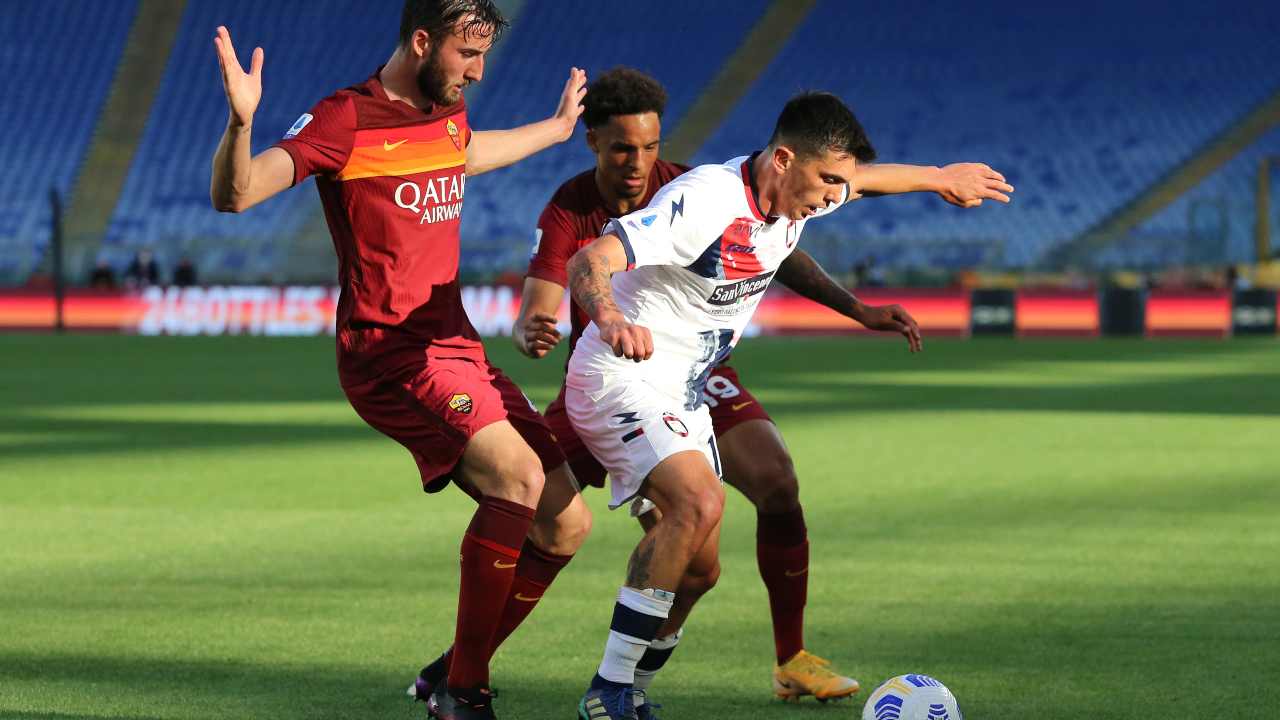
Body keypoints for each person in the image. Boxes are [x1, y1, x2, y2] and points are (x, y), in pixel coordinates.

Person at [512, 69, 1012, 716]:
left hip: (686, 387)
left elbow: (863, 183)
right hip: (621, 372)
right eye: (827, 182)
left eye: (840, 184)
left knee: (699, 569)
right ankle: (605, 694)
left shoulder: (804, 189)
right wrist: (610, 318)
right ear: (782, 160)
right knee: (698, 502)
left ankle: (632, 691)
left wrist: (941, 177)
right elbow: (591, 260)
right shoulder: (706, 200)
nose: (834, 197)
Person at [208, 3, 594, 718]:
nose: (477, 73)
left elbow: (470, 152)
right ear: (422, 42)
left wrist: (557, 129)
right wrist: (241, 123)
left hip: (456, 345)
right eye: (466, 56)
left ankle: (451, 669)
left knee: (565, 523)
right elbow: (235, 195)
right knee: (517, 476)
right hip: (391, 355)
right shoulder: (344, 120)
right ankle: (464, 696)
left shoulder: (446, 115)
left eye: (483, 57)